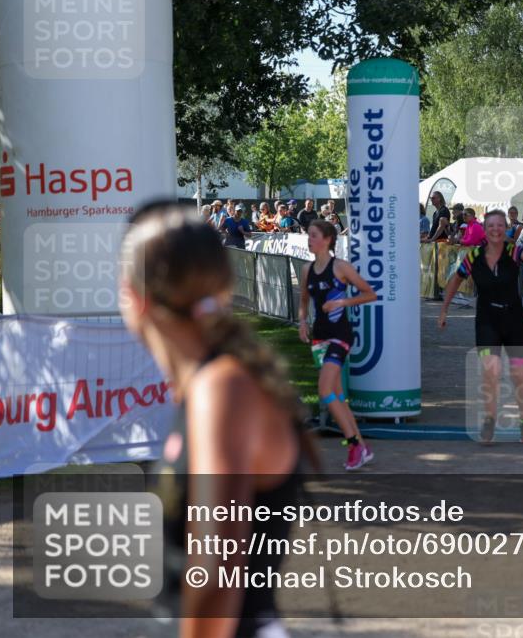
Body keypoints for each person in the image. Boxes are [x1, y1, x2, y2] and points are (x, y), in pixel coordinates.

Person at [121, 203, 315, 638]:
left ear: (134, 297)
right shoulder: (212, 385)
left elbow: (216, 572)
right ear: (226, 286)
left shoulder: (222, 390)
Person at [438, 203, 523, 443]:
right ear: (484, 230)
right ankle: (489, 420)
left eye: (500, 226)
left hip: (515, 321)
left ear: (506, 229)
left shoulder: (514, 252)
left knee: (519, 374)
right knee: (490, 372)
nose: (495, 230)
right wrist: (444, 310)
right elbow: (455, 280)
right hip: (487, 320)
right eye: (491, 226)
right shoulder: (474, 256)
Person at [298, 219, 379, 471]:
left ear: (327, 239)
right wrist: (302, 321)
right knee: (337, 396)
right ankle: (362, 447)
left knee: (324, 391)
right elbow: (303, 300)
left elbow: (370, 293)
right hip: (319, 337)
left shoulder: (341, 267)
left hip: (340, 335)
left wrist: (341, 303)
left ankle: (353, 444)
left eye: (313, 235)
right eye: (308, 235)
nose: (309, 239)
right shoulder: (306, 269)